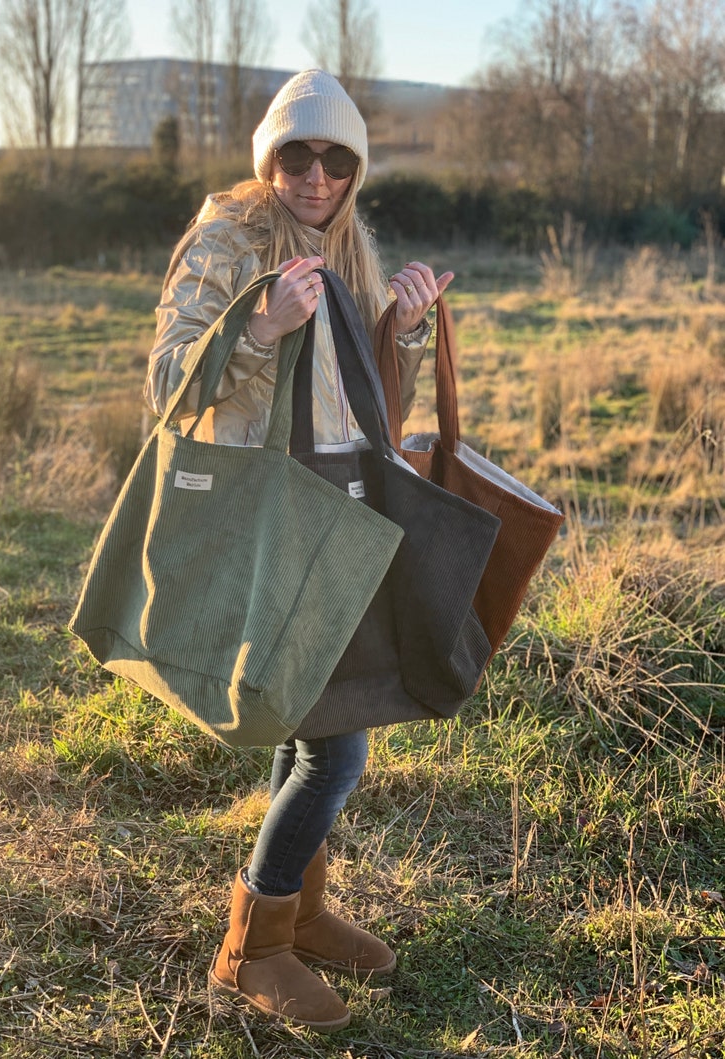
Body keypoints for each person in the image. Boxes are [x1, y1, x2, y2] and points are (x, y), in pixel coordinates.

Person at [144, 69, 453, 1032]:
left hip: (337, 513)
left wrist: (398, 330)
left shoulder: (349, 244)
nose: (314, 175)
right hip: (264, 517)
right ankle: (254, 944)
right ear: (267, 157)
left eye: (335, 158)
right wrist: (257, 326)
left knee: (303, 719)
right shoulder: (227, 238)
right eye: (296, 154)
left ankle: (305, 914)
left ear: (354, 169)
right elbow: (166, 384)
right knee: (337, 749)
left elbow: (370, 409)